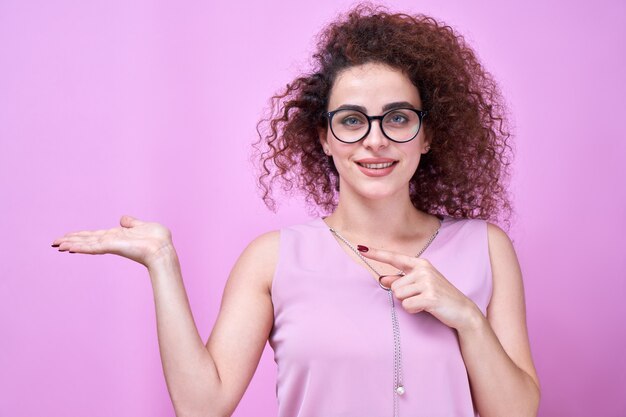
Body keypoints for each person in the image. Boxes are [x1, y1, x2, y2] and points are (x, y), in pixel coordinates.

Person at [51, 4, 540, 417]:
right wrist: (162, 261)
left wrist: (467, 318)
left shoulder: (486, 248)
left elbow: (517, 411)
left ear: (428, 134)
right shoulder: (272, 258)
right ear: (324, 138)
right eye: (351, 120)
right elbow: (202, 406)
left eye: (397, 117)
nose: (375, 139)